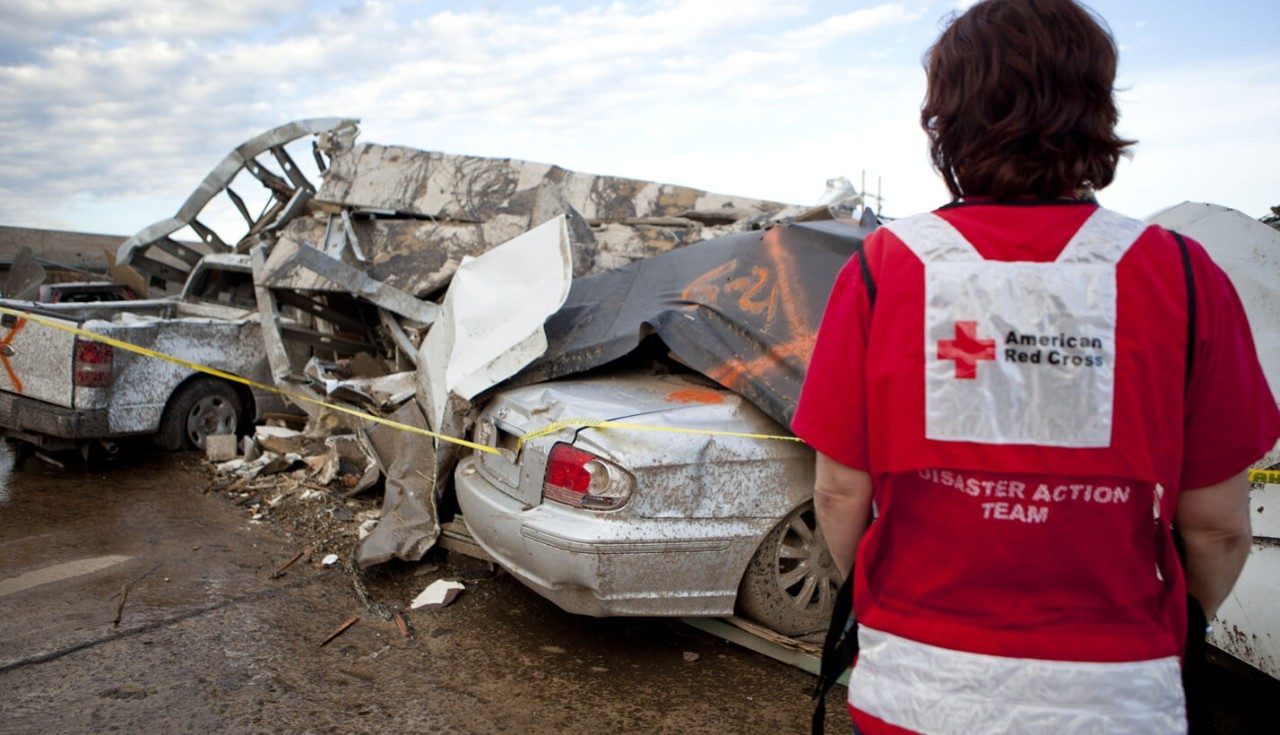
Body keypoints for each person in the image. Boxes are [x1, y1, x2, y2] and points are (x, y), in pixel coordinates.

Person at [791, 0, 1280, 733]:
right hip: (1118, 697)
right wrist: (1176, 629)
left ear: (946, 119)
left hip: (914, 688)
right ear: (1095, 110)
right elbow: (1217, 529)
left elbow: (837, 493)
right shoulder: (1180, 274)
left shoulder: (885, 269)